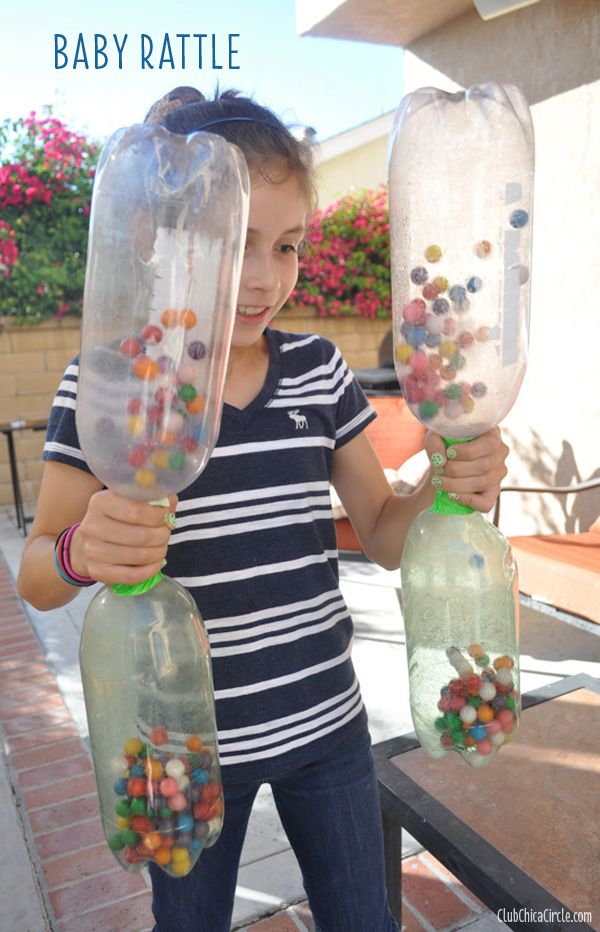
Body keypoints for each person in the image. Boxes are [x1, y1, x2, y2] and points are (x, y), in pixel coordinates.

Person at [17, 86, 509, 932]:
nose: (262, 278)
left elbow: (387, 537)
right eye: (231, 243)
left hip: (328, 724)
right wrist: (80, 551)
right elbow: (38, 575)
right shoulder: (108, 387)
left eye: (285, 247)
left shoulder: (318, 370)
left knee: (362, 917)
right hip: (183, 752)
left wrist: (448, 476)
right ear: (157, 237)